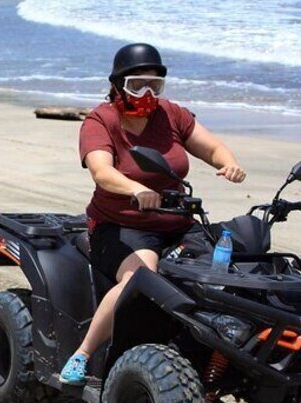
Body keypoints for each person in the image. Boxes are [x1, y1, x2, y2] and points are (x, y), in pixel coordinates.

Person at [59, 43, 247, 385]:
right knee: (140, 280)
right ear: (118, 85)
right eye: (137, 85)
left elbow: (214, 148)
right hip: (122, 226)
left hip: (178, 225)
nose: (147, 93)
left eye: (155, 85)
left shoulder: (172, 114)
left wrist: (229, 163)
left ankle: (215, 354)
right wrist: (135, 189)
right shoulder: (100, 121)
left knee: (225, 277)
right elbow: (101, 172)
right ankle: (82, 354)